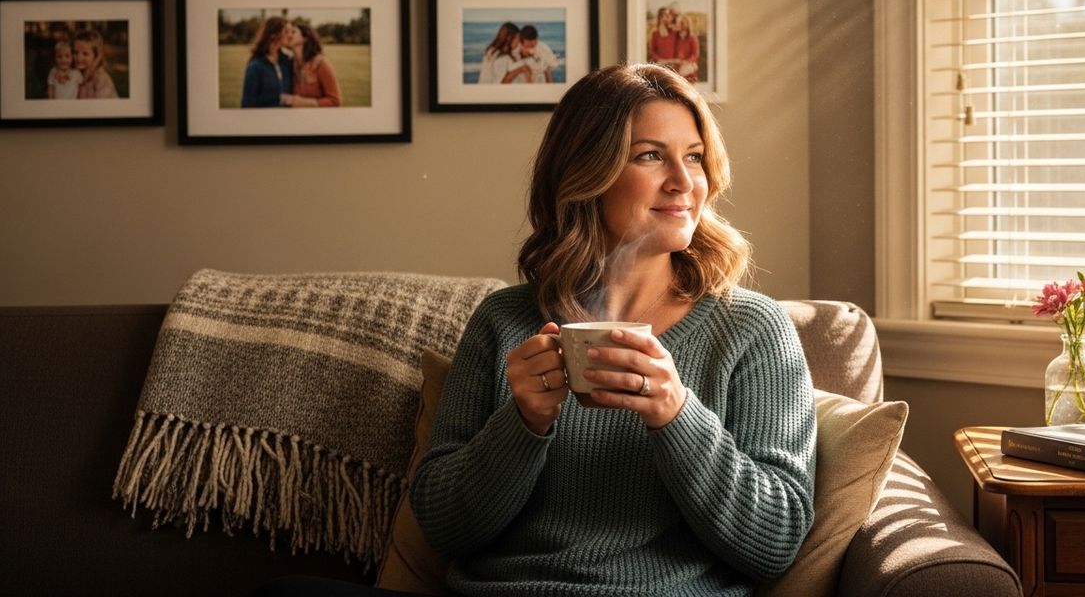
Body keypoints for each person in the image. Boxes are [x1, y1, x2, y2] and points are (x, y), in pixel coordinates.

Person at [252, 65, 817, 597]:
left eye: (694, 158)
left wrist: (677, 415)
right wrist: (522, 424)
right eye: (650, 156)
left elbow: (775, 542)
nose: (683, 182)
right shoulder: (504, 322)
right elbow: (446, 529)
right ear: (586, 175)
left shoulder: (751, 329)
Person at [282, 22, 342, 107]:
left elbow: (335, 101)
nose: (289, 35)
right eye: (287, 32)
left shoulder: (321, 63)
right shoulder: (289, 64)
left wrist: (303, 102)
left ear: (305, 38)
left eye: (293, 32)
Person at [240, 17, 294, 108]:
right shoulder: (256, 66)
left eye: (291, 31)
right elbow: (247, 104)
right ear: (273, 34)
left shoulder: (287, 61)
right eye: (286, 31)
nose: (290, 35)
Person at [74, 29, 118, 99]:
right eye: (76, 53)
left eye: (85, 54)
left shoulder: (101, 78)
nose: (79, 58)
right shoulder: (75, 73)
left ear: (96, 56)